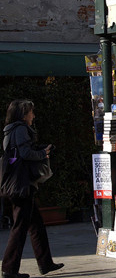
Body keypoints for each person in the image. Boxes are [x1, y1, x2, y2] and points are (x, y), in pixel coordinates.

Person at [1, 100, 64, 278]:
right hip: (22, 185)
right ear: (23, 114)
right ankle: (9, 269)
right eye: (31, 112)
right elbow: (25, 154)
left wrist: (39, 148)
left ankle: (46, 263)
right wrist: (43, 154)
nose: (33, 115)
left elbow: (19, 152)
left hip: (19, 183)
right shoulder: (20, 129)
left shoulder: (11, 130)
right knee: (19, 227)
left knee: (36, 225)